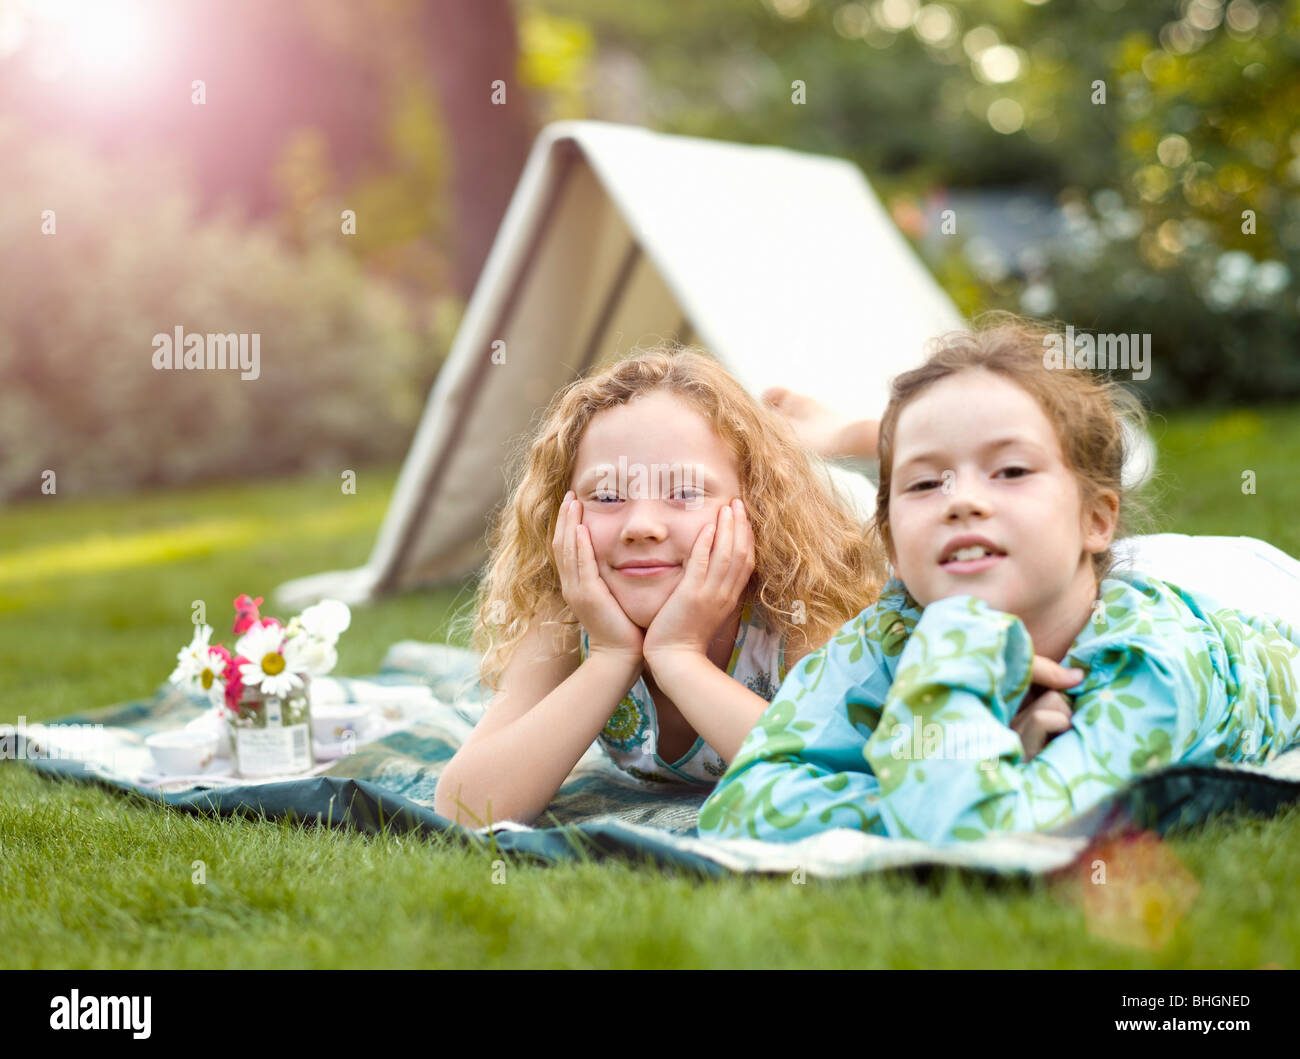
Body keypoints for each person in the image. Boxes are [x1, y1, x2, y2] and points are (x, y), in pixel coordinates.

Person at [696, 318, 1300, 845]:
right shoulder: (890, 626)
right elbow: (740, 806)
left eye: (1010, 470)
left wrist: (951, 657)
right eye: (925, 483)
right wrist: (943, 774)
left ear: (1096, 519)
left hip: (1258, 592)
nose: (961, 502)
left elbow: (987, 834)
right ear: (894, 551)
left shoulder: (1151, 664)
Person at [432, 347, 885, 828]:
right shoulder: (568, 616)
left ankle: (842, 435)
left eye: (686, 492)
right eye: (607, 495)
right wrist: (609, 656)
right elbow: (465, 807)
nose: (642, 526)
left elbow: (836, 784)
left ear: (756, 506)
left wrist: (678, 655)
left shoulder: (800, 604)